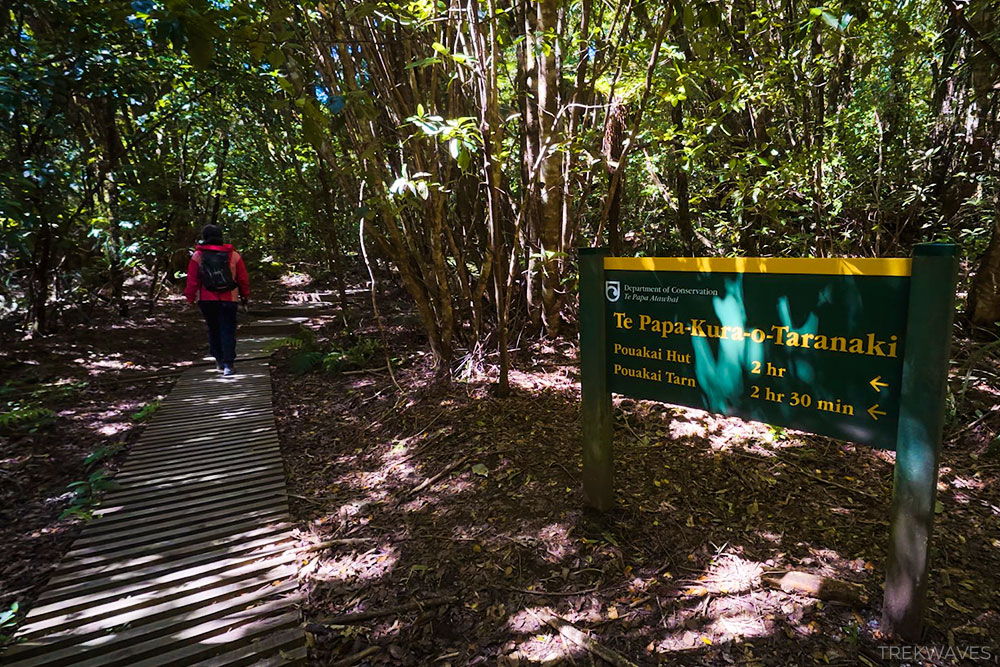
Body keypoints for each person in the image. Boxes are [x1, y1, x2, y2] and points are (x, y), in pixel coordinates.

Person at [184, 224, 249, 376]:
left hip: (207, 299)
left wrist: (190, 298)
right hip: (229, 298)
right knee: (228, 329)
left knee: (213, 329)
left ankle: (219, 360)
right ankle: (229, 364)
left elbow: (192, 280)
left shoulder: (198, 256)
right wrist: (245, 294)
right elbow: (242, 278)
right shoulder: (233, 255)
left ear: (205, 237)